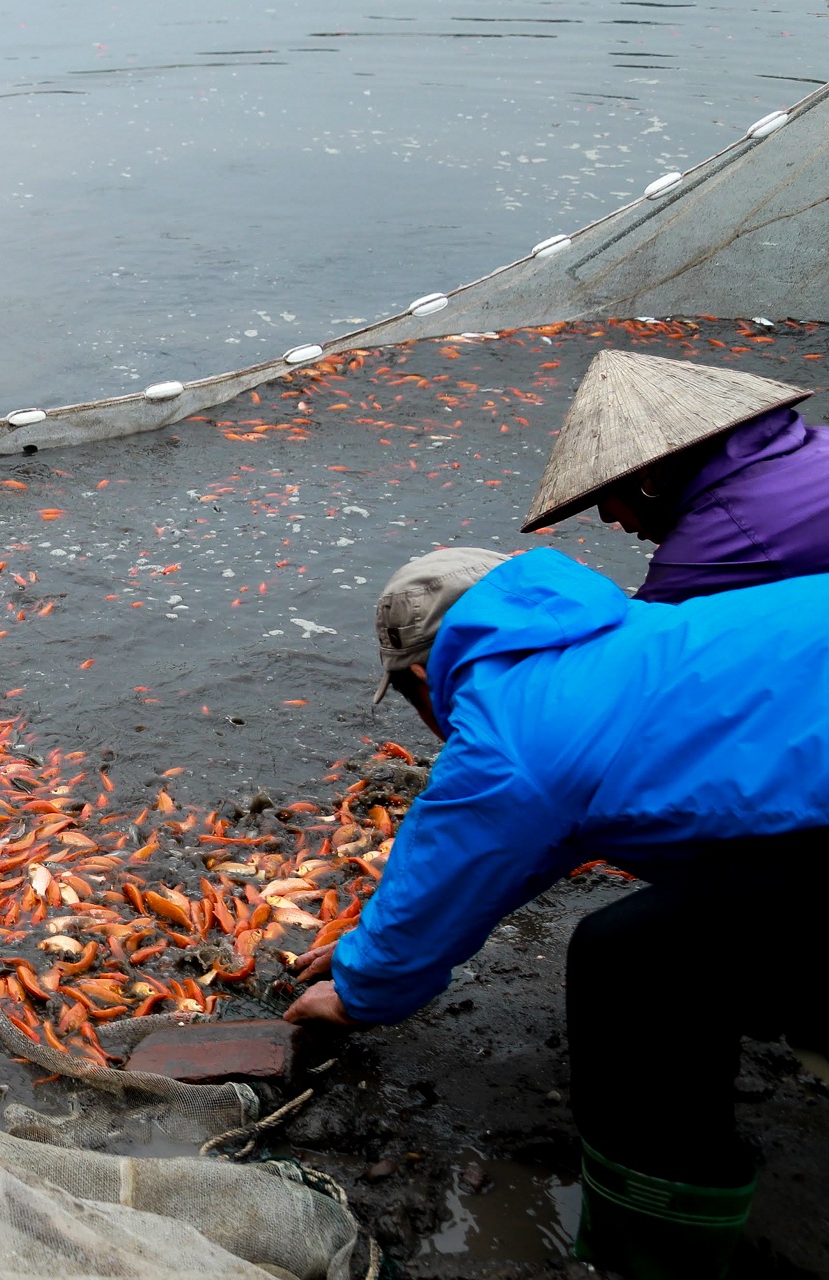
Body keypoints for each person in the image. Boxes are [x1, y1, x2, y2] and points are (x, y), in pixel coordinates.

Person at [285, 545, 828, 1280]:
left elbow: (463, 848)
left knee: (629, 963)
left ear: (422, 676)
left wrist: (360, 991)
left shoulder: (514, 732)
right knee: (726, 906)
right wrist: (363, 952)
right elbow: (523, 848)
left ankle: (656, 1250)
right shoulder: (617, 639)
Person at [522, 348, 829, 602]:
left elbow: (638, 645)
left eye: (602, 497)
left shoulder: (712, 540)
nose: (606, 519)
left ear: (645, 477)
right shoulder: (821, 443)